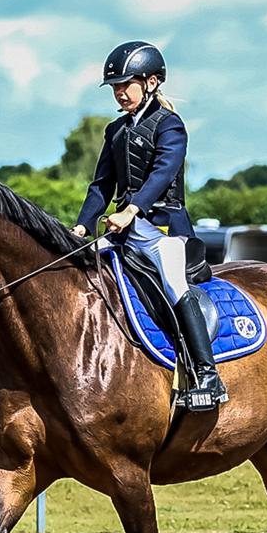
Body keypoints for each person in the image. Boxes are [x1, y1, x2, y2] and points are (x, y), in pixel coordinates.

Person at [71, 41, 227, 411]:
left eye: (127, 84)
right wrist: (81, 226)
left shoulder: (170, 126)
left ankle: (208, 375)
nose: (120, 92)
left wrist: (132, 210)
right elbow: (101, 185)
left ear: (152, 82)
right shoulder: (116, 130)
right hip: (126, 234)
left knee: (173, 284)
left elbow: (162, 174)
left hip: (164, 232)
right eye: (115, 87)